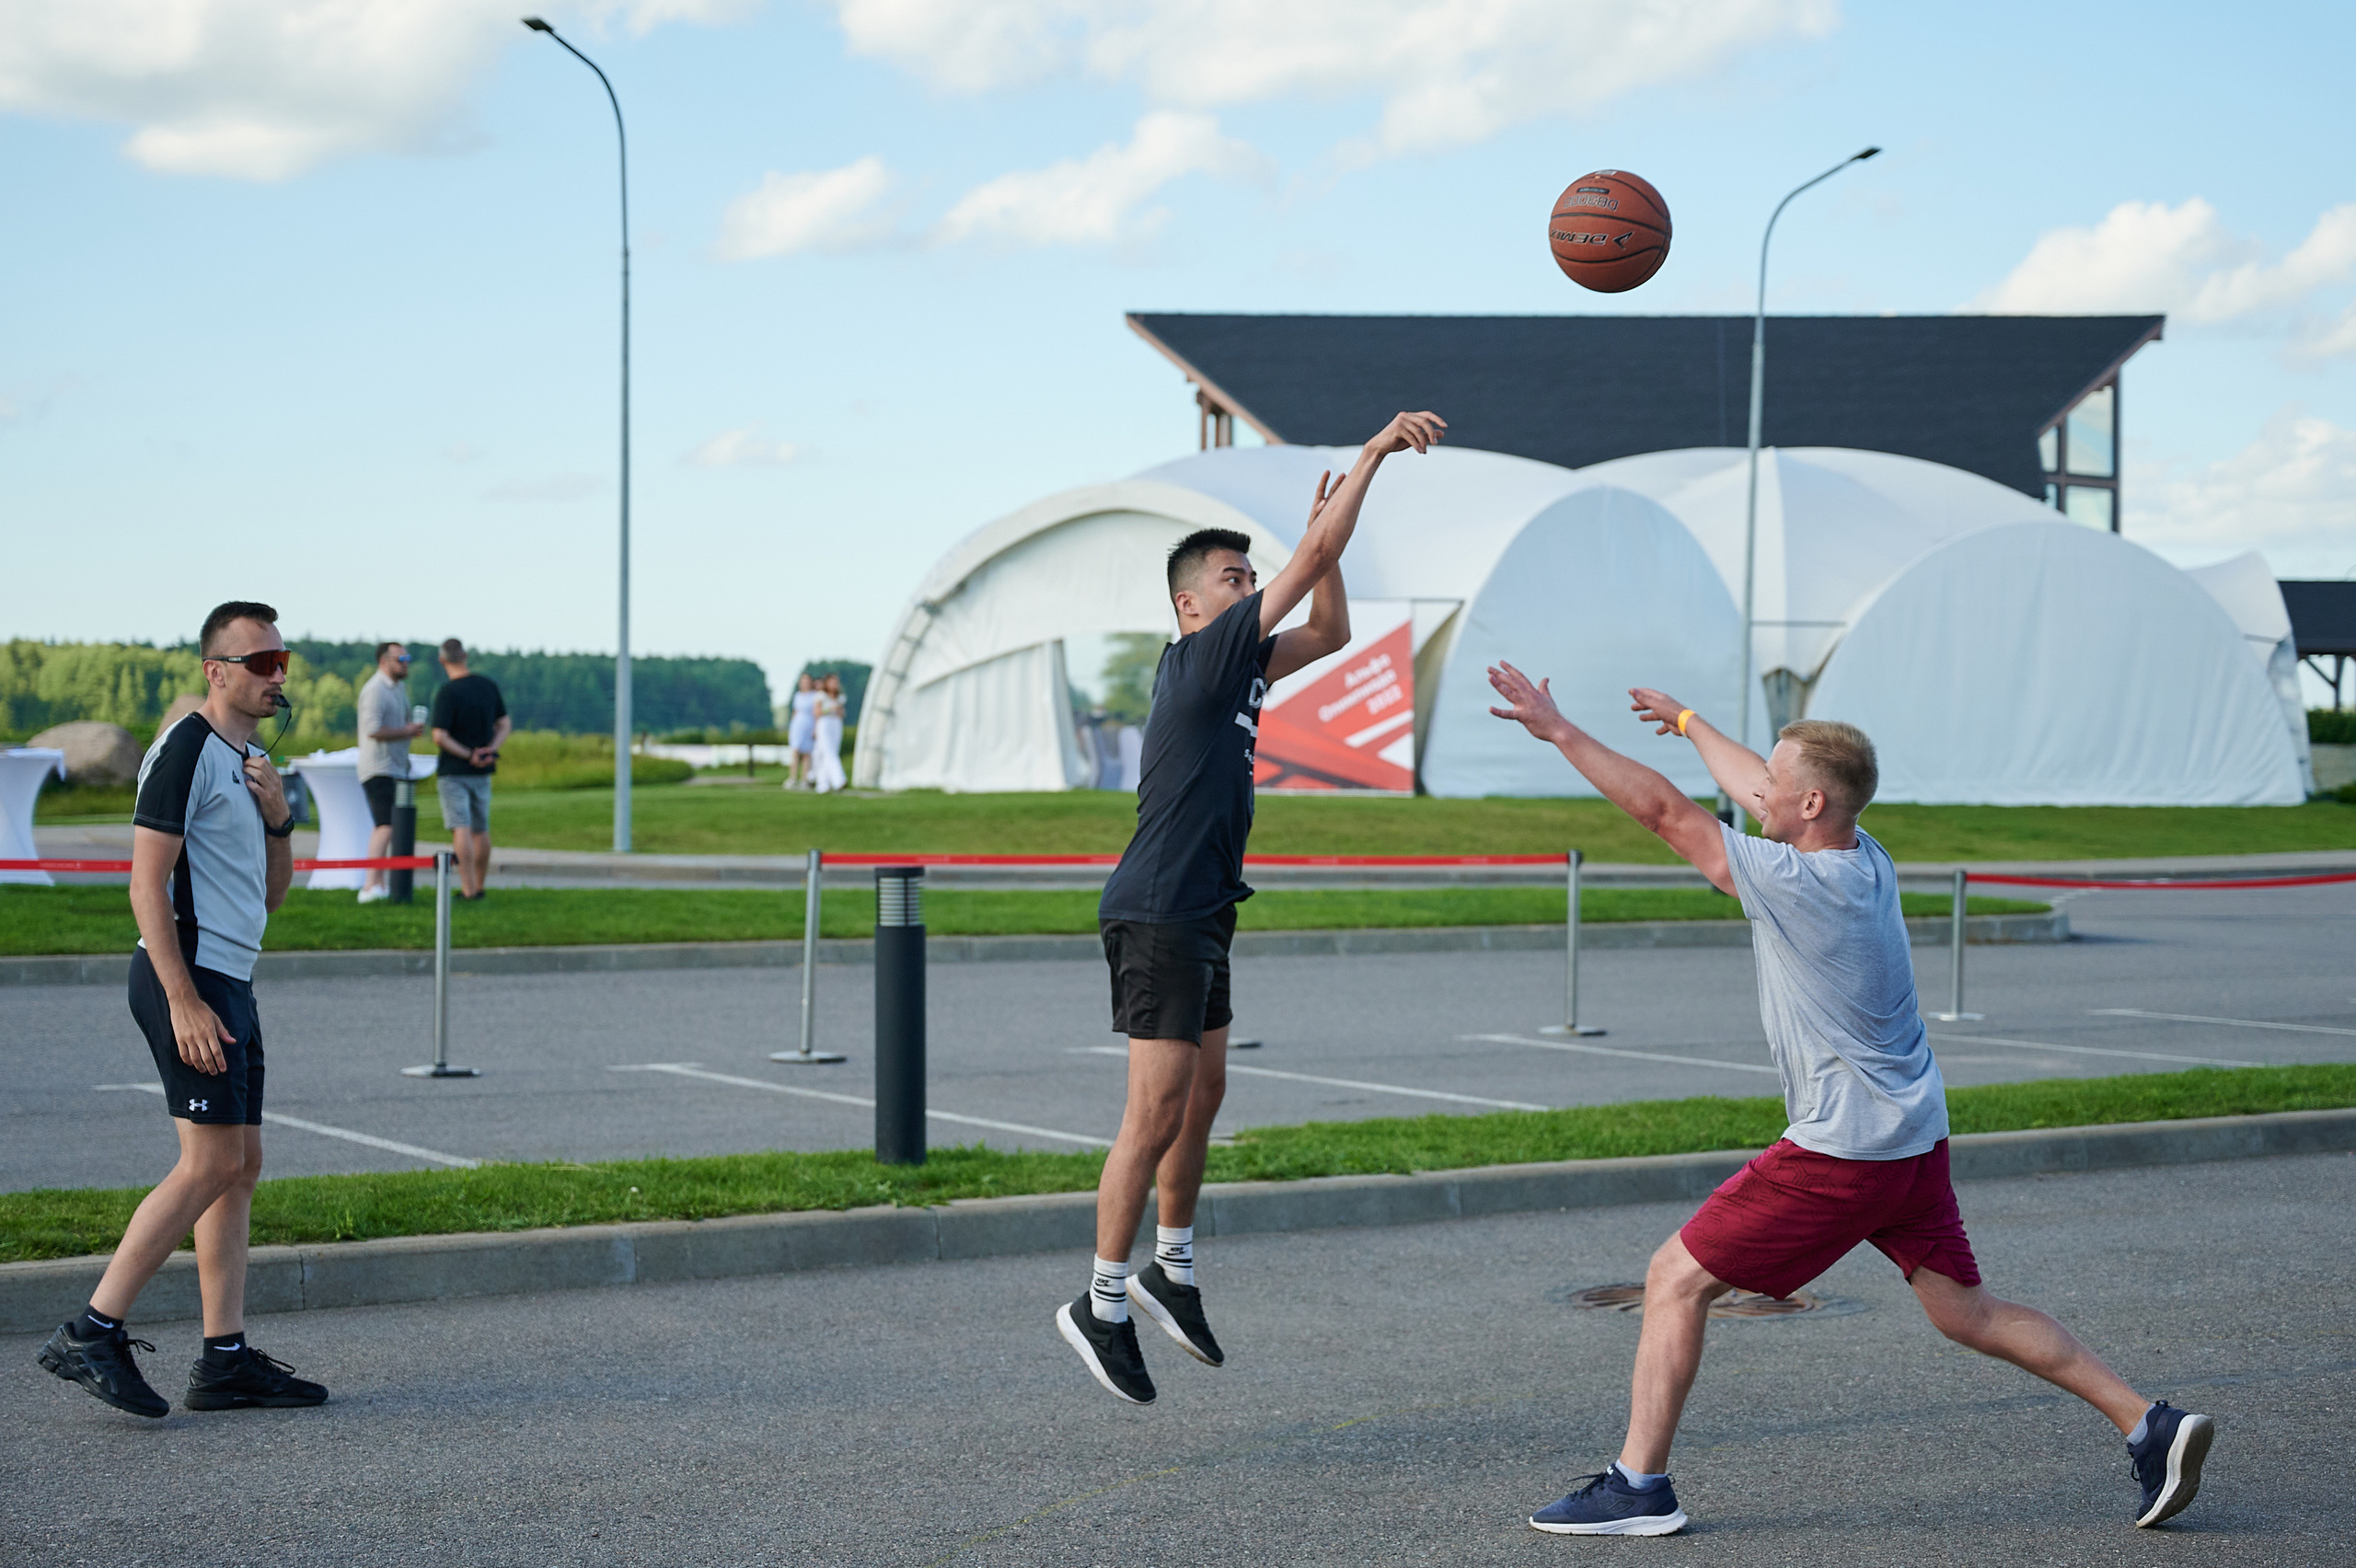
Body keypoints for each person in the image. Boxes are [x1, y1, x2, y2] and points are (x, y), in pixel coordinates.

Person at [1482, 664, 2214, 1536]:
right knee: (1966, 1313)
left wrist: (1559, 731)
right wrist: (1685, 720)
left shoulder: (1798, 884)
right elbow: (1759, 780)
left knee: (1675, 1278)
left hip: (1845, 1150)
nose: (1759, 791)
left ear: (1811, 807)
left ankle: (1637, 1486)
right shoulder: (1863, 855)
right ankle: (2150, 1425)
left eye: (1775, 787)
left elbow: (1667, 814)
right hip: (1911, 1140)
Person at [1057, 409, 1447, 1405]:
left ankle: (1169, 1270)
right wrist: (1368, 460)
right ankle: (1098, 1304)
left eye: (1247, 577)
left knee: (1206, 1095)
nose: (1247, 585)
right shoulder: (1200, 658)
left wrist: (1322, 553)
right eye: (1234, 578)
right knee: (1150, 1113)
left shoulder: (1239, 664)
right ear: (1194, 607)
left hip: (1205, 907)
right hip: (1157, 910)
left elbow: (1333, 628)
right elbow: (1314, 553)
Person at [36, 600, 329, 1419]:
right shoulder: (186, 750)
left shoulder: (249, 761)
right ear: (217, 670)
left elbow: (272, 899)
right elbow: (144, 883)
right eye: (260, 661)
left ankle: (225, 1360)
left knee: (239, 1166)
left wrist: (280, 819)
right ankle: (92, 1331)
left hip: (231, 977)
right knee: (207, 1165)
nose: (277, 674)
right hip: (188, 979)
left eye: (283, 660)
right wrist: (183, 1000)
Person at [429, 639, 509, 901]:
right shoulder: (488, 686)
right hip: (483, 771)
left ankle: (468, 889)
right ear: (464, 655)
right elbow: (504, 724)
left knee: (460, 827)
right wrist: (488, 750)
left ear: (443, 661)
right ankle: (481, 885)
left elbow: (440, 736)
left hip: (454, 771)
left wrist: (468, 754)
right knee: (481, 828)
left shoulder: (447, 692)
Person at [354, 641, 423, 904]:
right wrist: (407, 731)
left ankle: (381, 883)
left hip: (396, 766)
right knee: (384, 826)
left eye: (408, 658)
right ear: (384, 661)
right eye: (401, 658)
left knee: (391, 827)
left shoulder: (398, 688)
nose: (406, 663)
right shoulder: (375, 690)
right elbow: (373, 729)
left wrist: (409, 729)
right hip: (378, 767)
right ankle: (369, 885)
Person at [808, 673, 847, 794]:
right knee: (828, 752)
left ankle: (823, 784)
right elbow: (816, 712)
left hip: (836, 723)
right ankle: (838, 780)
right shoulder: (821, 696)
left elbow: (842, 714)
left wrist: (839, 710)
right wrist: (829, 709)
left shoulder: (839, 697)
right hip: (824, 723)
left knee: (827, 753)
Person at [785, 673, 819, 790]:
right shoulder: (798, 695)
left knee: (806, 753)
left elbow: (816, 713)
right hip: (797, 725)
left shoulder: (815, 696)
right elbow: (795, 711)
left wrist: (815, 728)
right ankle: (792, 777)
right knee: (795, 751)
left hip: (809, 724)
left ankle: (805, 778)